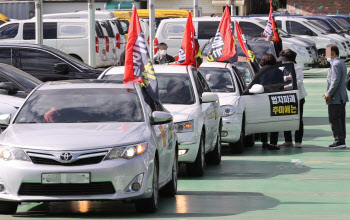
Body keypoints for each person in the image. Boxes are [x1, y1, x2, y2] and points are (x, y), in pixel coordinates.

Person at [277, 49, 307, 148]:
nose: (283, 62)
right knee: (286, 117)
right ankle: (288, 140)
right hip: (285, 97)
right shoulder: (282, 67)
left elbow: (299, 82)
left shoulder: (297, 68)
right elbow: (280, 78)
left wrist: (286, 86)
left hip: (298, 97)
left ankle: (298, 141)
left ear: (290, 60)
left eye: (285, 60)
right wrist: (286, 78)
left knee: (298, 119)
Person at [254, 53, 282, 150]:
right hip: (275, 98)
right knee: (275, 121)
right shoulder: (278, 71)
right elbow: (281, 86)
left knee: (264, 120)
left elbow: (255, 84)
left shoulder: (260, 71)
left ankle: (264, 141)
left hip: (263, 98)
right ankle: (273, 143)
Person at [323, 44, 348, 148]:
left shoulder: (335, 64)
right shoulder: (340, 63)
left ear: (332, 53)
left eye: (327, 53)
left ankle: (339, 140)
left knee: (334, 118)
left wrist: (329, 93)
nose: (325, 55)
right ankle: (341, 139)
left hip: (336, 97)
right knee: (340, 118)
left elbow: (335, 80)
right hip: (341, 96)